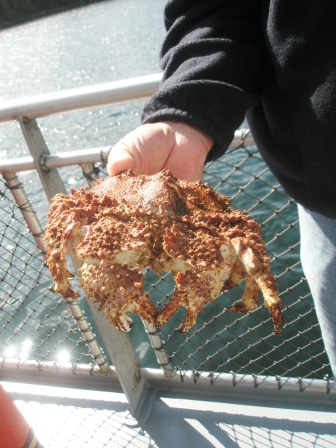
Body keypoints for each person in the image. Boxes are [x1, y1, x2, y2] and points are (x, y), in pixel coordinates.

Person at [107, 0, 336, 378]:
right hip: (329, 205)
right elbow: (216, 9)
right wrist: (186, 113)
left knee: (234, 248)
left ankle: (257, 296)